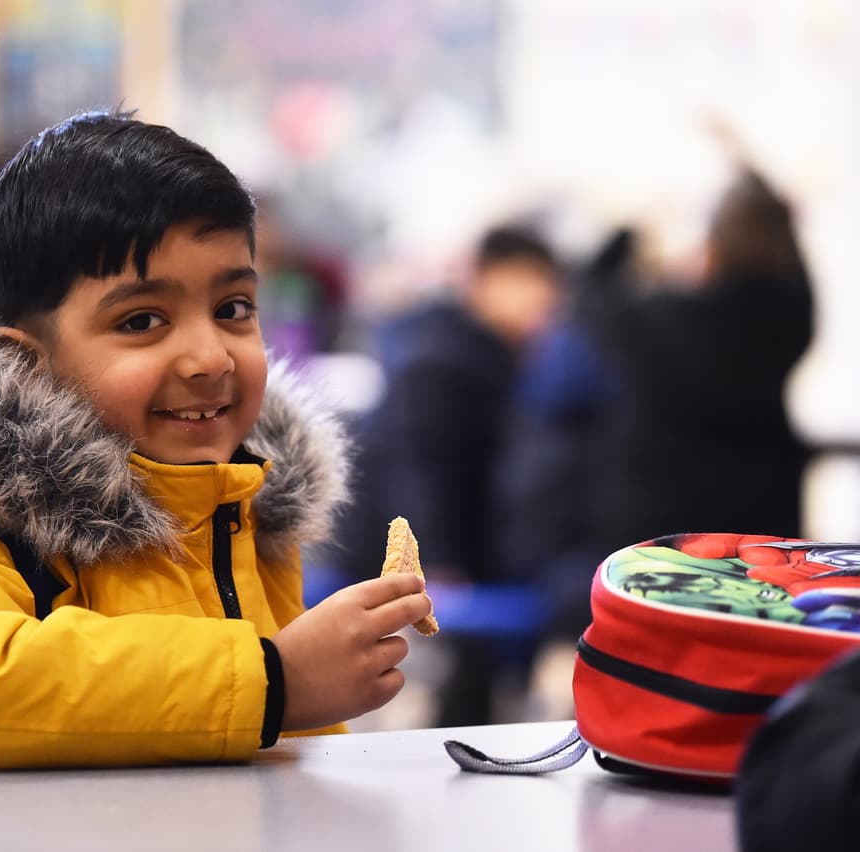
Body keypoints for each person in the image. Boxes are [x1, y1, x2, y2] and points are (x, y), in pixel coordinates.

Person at [0, 110, 432, 770]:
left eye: (233, 309)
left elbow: (263, 755)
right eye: (143, 320)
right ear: (23, 365)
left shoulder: (239, 504)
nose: (210, 357)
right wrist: (273, 682)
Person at [340, 225, 565, 725]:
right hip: (424, 550)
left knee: (475, 674)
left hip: (465, 549)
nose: (543, 298)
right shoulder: (443, 357)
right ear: (484, 278)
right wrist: (436, 558)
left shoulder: (492, 352)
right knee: (456, 667)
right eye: (528, 281)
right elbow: (418, 466)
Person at [578, 166, 814, 549]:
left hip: (662, 529)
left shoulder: (664, 317)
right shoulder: (787, 317)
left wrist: (631, 226)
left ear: (713, 247)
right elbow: (794, 266)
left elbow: (589, 290)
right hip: (760, 526)